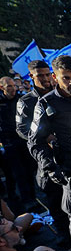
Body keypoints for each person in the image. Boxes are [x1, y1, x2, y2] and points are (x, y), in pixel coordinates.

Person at [27, 55, 71, 250]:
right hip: (70, 172)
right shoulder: (46, 104)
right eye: (65, 78)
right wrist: (51, 168)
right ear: (54, 77)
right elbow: (35, 142)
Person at [15, 61, 70, 247]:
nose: (45, 79)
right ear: (31, 77)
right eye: (41, 75)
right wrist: (45, 136)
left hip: (70, 157)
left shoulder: (61, 94)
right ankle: (64, 237)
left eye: (48, 74)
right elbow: (22, 129)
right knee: (56, 202)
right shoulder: (26, 101)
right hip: (47, 160)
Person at [0, 77, 37, 212]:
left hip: (23, 139)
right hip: (9, 143)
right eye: (9, 86)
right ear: (2, 88)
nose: (13, 89)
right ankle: (26, 200)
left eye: (14, 86)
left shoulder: (20, 99)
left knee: (29, 169)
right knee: (18, 172)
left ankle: (32, 196)